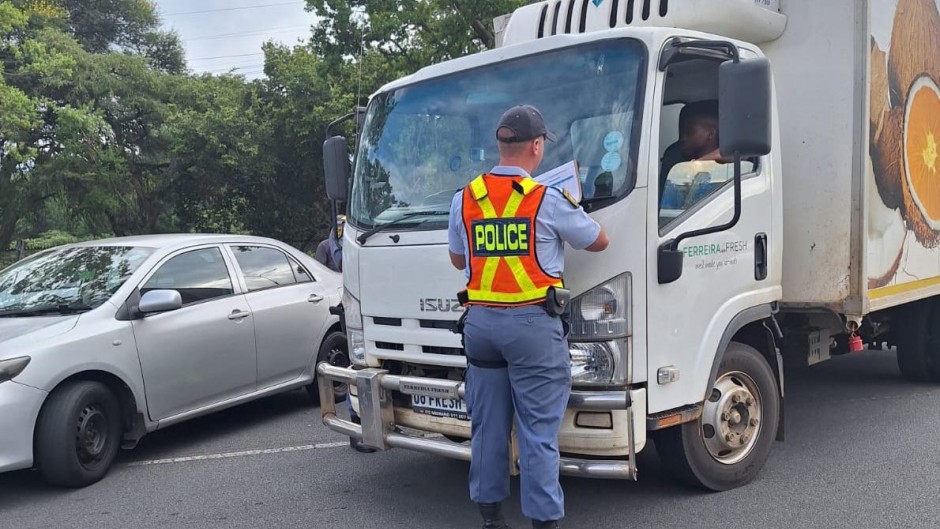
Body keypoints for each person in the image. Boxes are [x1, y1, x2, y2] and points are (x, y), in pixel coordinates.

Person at [447, 105, 609, 529]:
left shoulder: (465, 198)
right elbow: (599, 241)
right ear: (537, 146)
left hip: (480, 328)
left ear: (500, 146)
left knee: (488, 426)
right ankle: (543, 522)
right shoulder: (547, 198)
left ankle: (490, 517)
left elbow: (456, 258)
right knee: (537, 432)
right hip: (532, 328)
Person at [314, 215, 376, 454]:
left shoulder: (358, 241)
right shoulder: (333, 246)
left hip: (362, 303)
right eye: (338, 229)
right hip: (351, 304)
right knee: (357, 365)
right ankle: (357, 423)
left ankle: (362, 422)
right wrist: (335, 239)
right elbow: (338, 266)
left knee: (363, 365)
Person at [659, 100, 730, 196]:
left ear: (711, 133)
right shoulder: (678, 171)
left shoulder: (731, 166)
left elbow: (740, 154)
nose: (683, 138)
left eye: (690, 132)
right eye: (682, 133)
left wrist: (698, 163)